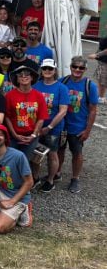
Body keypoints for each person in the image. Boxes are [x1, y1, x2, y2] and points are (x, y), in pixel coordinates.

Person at [58, 56, 98, 194]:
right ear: (70, 67)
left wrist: (87, 130)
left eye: (81, 67)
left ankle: (75, 178)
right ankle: (57, 172)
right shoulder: (62, 81)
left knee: (77, 153)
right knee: (59, 151)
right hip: (62, 125)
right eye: (75, 66)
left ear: (85, 69)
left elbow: (93, 110)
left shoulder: (89, 85)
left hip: (78, 127)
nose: (77, 69)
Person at [5, 65, 48, 184]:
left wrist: (33, 135)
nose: (24, 77)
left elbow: (41, 118)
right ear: (17, 79)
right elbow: (7, 117)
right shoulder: (9, 95)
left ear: (32, 78)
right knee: (12, 161)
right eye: (20, 75)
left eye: (27, 75)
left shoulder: (38, 96)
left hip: (31, 136)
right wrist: (14, 135)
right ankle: (12, 185)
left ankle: (25, 187)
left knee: (26, 162)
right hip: (14, 136)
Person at [33, 58, 69, 193]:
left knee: (52, 154)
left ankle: (50, 180)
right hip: (37, 126)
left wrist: (49, 127)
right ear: (41, 70)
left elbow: (63, 111)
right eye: (45, 68)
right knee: (36, 153)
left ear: (55, 70)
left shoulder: (61, 88)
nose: (47, 71)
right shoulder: (36, 86)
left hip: (54, 128)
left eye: (50, 69)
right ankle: (35, 177)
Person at [88, 25, 107, 103]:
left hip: (105, 62)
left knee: (103, 80)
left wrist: (96, 55)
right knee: (101, 79)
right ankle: (101, 97)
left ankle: (101, 97)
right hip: (102, 62)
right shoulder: (104, 39)